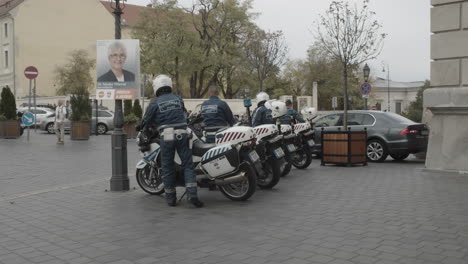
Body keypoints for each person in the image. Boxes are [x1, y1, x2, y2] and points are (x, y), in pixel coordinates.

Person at [141, 74, 203, 208]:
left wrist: (141, 126)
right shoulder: (178, 99)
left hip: (167, 135)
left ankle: (171, 198)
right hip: (182, 133)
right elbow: (184, 113)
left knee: (167, 166)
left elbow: (147, 120)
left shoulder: (154, 102)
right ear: (169, 85)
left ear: (157, 87)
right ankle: (192, 195)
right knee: (187, 165)